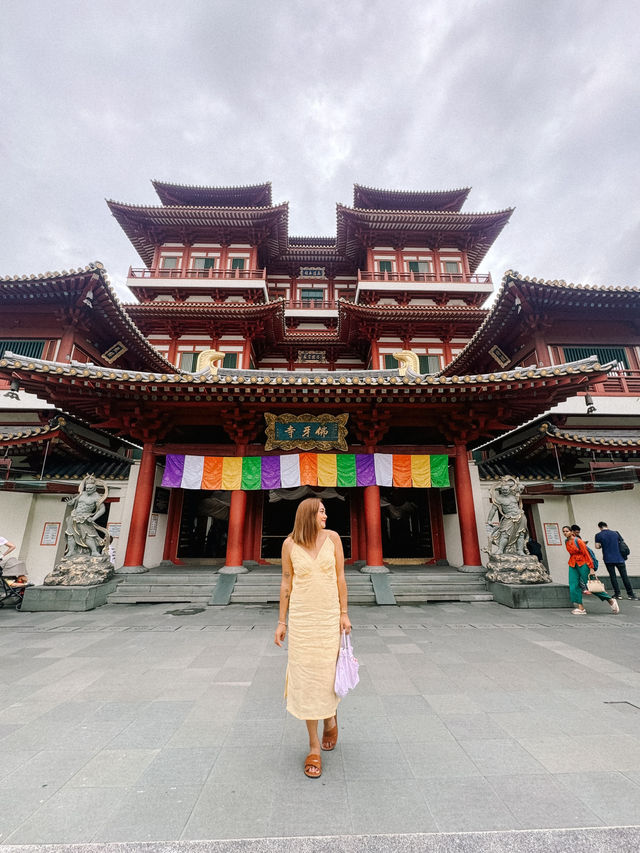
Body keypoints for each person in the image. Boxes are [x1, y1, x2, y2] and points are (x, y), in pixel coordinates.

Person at [274, 498, 351, 779]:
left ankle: (330, 716)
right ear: (308, 514)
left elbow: (341, 578)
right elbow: (286, 582)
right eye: (321, 511)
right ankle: (313, 746)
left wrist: (344, 613)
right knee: (306, 679)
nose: (326, 515)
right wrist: (281, 622)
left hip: (329, 618)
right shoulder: (289, 545)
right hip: (303, 620)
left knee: (326, 675)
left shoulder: (333, 539)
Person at [562, 525, 619, 615]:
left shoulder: (578, 541)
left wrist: (591, 568)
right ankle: (581, 608)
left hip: (583, 563)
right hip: (573, 564)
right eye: (564, 532)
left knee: (590, 585)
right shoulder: (566, 541)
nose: (565, 533)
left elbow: (587, 554)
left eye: (567, 531)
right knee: (573, 585)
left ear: (571, 532)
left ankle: (610, 599)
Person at [64, 477, 108, 557]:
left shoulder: (97, 497)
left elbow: (102, 509)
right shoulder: (82, 494)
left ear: (94, 488)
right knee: (70, 534)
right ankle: (71, 551)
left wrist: (93, 518)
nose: (88, 490)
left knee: (89, 535)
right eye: (87, 488)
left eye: (90, 488)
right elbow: (74, 502)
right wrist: (70, 502)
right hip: (74, 516)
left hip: (85, 518)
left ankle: (94, 551)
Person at [594, 521, 636, 600]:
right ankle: (630, 594)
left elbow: (597, 546)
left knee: (613, 576)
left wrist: (603, 545)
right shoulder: (616, 533)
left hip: (608, 559)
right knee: (624, 576)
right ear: (607, 525)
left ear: (599, 527)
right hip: (619, 558)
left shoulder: (598, 535)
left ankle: (618, 594)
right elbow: (621, 543)